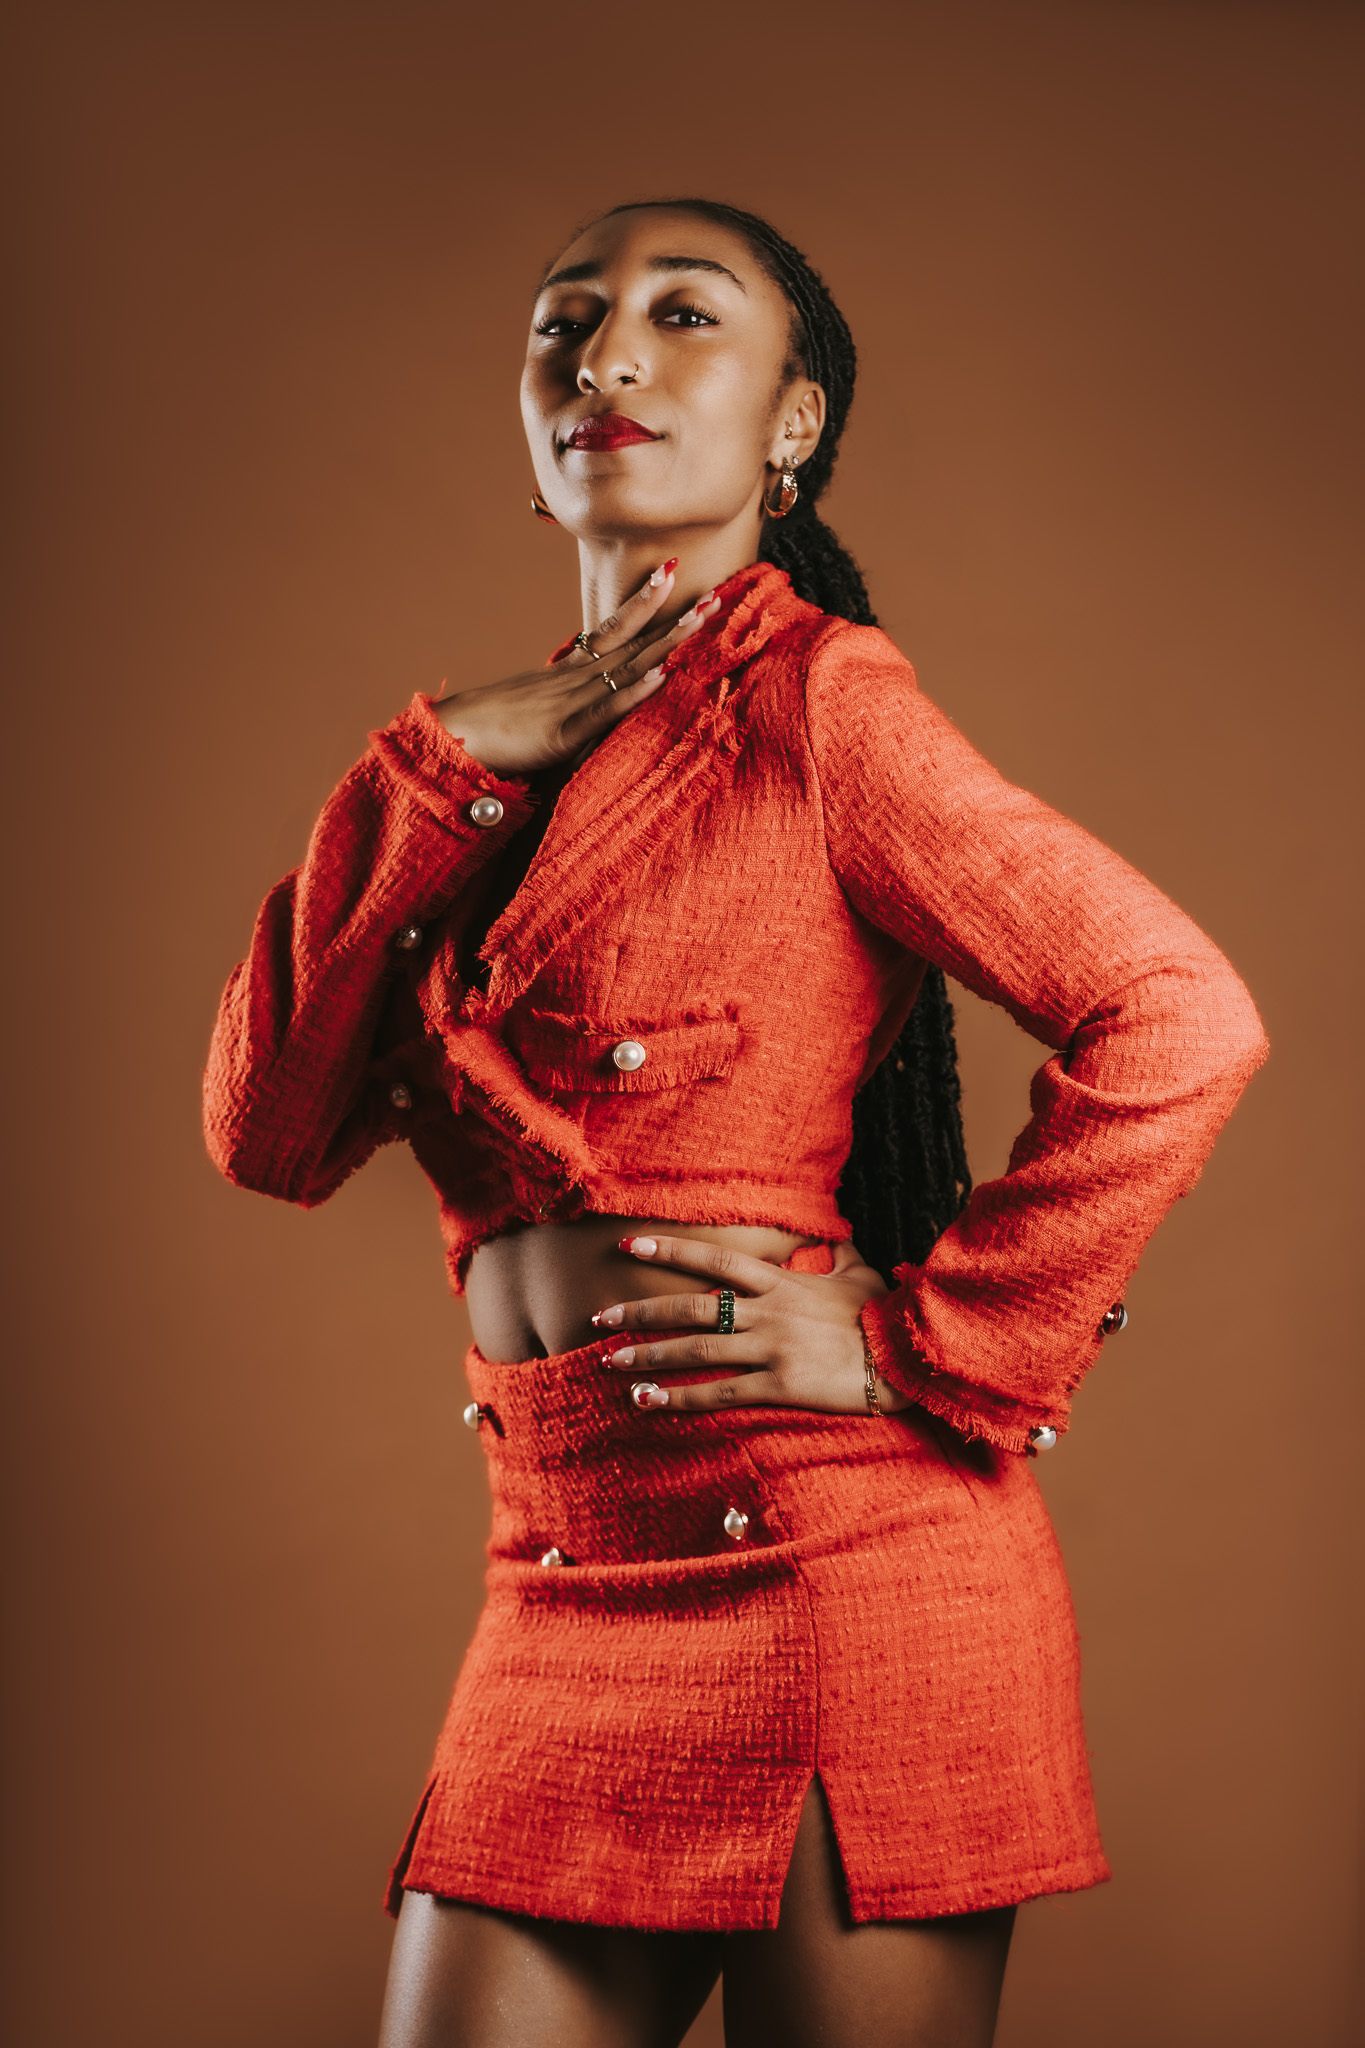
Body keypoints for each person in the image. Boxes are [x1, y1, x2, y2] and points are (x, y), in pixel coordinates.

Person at [203, 198, 1268, 2048]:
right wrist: (428, 766)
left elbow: (1183, 1011)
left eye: (683, 315)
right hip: (562, 1570)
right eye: (565, 322)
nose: (607, 354)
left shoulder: (820, 706)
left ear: (792, 424)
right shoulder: (468, 776)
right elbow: (269, 1133)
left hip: (834, 1567)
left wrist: (930, 1343)